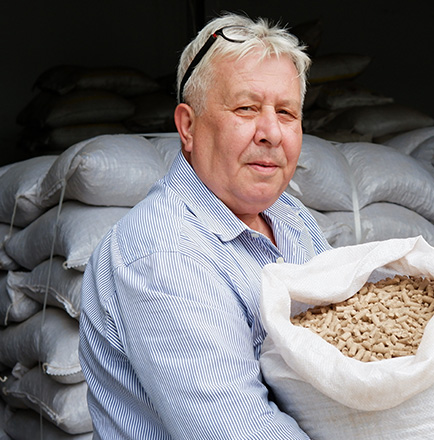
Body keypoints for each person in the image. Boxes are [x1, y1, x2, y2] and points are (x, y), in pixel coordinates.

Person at [78, 12, 331, 439]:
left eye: (286, 112)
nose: (271, 132)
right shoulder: (166, 253)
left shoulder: (293, 220)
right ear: (188, 126)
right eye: (246, 108)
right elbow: (238, 431)